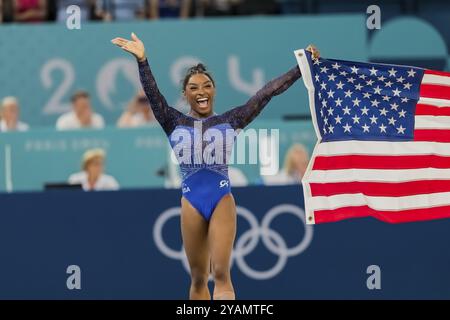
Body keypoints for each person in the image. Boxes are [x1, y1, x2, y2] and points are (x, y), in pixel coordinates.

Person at [111, 33, 319, 300]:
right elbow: (153, 95)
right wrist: (142, 60)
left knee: (221, 274)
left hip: (221, 198)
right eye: (194, 87)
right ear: (185, 94)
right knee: (198, 279)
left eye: (206, 85)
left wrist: (301, 68)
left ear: (214, 90)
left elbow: (267, 92)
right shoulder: (172, 120)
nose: (201, 91)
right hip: (190, 201)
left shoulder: (232, 119)